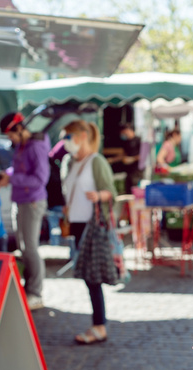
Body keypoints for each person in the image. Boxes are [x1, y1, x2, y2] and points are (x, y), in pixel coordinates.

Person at [62, 119, 118, 345]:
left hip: (93, 226)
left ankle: (99, 326)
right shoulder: (68, 162)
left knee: (92, 277)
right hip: (76, 224)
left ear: (83, 136)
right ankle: (98, 324)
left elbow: (111, 192)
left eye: (68, 136)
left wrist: (99, 196)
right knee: (88, 276)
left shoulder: (97, 161)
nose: (65, 142)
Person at [0, 112, 50, 310]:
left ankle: (35, 293)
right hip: (20, 200)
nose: (10, 139)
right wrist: (7, 175)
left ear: (19, 129)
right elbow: (18, 171)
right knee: (23, 247)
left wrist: (12, 179)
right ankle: (29, 289)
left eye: (10, 135)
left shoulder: (36, 146)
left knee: (30, 247)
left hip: (32, 202)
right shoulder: (22, 145)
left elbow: (39, 180)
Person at [118, 124, 143, 194]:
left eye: (124, 133)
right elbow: (124, 154)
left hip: (137, 171)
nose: (123, 135)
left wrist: (132, 159)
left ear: (128, 130)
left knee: (135, 190)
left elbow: (143, 155)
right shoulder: (126, 142)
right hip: (128, 171)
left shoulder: (139, 140)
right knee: (128, 190)